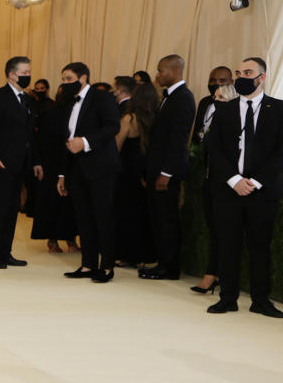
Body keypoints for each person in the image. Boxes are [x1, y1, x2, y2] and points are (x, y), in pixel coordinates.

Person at [205, 58, 283, 317]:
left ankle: (261, 299)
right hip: (229, 190)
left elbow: (279, 153)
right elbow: (213, 149)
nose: (241, 76)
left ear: (262, 77)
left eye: (247, 72)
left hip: (262, 192)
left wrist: (255, 181)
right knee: (228, 244)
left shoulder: (279, 109)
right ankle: (228, 297)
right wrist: (234, 180)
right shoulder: (224, 109)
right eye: (238, 72)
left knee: (260, 246)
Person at [56, 62, 122, 282]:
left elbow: (113, 126)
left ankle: (107, 266)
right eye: (63, 79)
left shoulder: (101, 97)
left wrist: (85, 142)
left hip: (100, 166)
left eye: (68, 79)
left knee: (103, 217)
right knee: (83, 218)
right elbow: (66, 139)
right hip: (76, 169)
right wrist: (62, 174)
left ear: (83, 78)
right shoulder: (68, 101)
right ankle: (88, 264)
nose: (64, 83)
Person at [139, 55, 197, 280]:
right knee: (158, 218)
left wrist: (165, 173)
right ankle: (162, 262)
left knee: (167, 220)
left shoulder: (183, 98)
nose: (157, 75)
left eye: (160, 70)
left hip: (168, 172)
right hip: (157, 168)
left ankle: (170, 267)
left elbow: (178, 140)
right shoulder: (169, 97)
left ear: (173, 71)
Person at [0, 56, 40, 268]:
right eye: (24, 73)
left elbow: (29, 136)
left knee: (12, 209)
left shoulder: (27, 100)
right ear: (11, 74)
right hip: (1, 163)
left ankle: (5, 252)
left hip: (20, 164)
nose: (28, 76)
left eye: (29, 72)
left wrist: (34, 161)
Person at [191, 67, 235, 294]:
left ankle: (216, 274)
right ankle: (213, 272)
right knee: (213, 228)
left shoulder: (234, 123)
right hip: (209, 179)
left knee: (224, 230)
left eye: (221, 96)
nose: (215, 97)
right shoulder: (207, 108)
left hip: (228, 183)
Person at [30, 80, 79, 254]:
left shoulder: (72, 113)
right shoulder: (52, 113)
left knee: (65, 203)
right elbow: (39, 139)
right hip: (54, 163)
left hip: (61, 163)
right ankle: (58, 240)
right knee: (56, 201)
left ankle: (65, 238)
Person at [112, 80, 157, 268]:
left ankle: (126, 254)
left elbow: (117, 146)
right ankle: (144, 255)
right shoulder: (155, 118)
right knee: (142, 213)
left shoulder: (129, 119)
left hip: (127, 169)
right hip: (146, 168)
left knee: (125, 213)